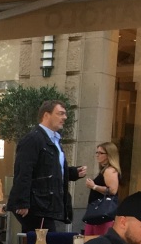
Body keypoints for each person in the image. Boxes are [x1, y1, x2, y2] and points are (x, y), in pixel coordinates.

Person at [8, 99, 86, 231]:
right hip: (38, 206)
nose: (64, 117)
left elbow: (49, 169)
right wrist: (23, 202)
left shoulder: (54, 140)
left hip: (46, 205)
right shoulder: (33, 139)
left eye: (65, 114)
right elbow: (23, 171)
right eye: (60, 113)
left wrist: (72, 173)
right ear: (46, 115)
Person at [83, 141, 122, 236]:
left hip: (102, 214)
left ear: (109, 155)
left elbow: (112, 190)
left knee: (96, 240)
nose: (97, 155)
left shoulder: (110, 170)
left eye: (101, 153)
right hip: (97, 213)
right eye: (97, 152)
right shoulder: (105, 170)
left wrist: (94, 186)